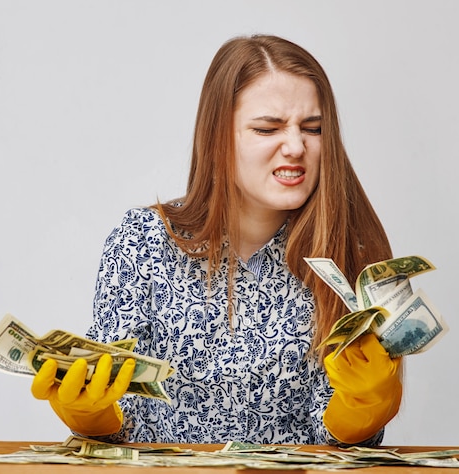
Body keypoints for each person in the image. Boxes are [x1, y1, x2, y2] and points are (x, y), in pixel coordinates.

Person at [31, 34, 402, 446]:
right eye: (267, 128)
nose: (296, 146)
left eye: (312, 129)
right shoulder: (141, 243)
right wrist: (91, 416)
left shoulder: (353, 256)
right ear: (218, 137)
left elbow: (338, 448)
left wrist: (362, 411)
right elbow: (123, 423)